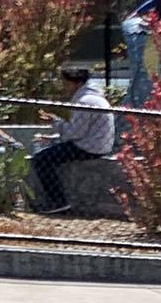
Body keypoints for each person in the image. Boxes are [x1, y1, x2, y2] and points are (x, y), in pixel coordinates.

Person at [30, 68, 115, 215]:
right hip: (99, 145)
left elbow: (74, 133)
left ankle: (59, 202)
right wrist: (53, 138)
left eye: (65, 82)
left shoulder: (84, 101)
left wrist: (56, 122)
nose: (63, 86)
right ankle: (58, 201)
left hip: (88, 148)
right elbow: (81, 132)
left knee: (41, 160)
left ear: (75, 83)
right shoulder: (95, 98)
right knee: (51, 153)